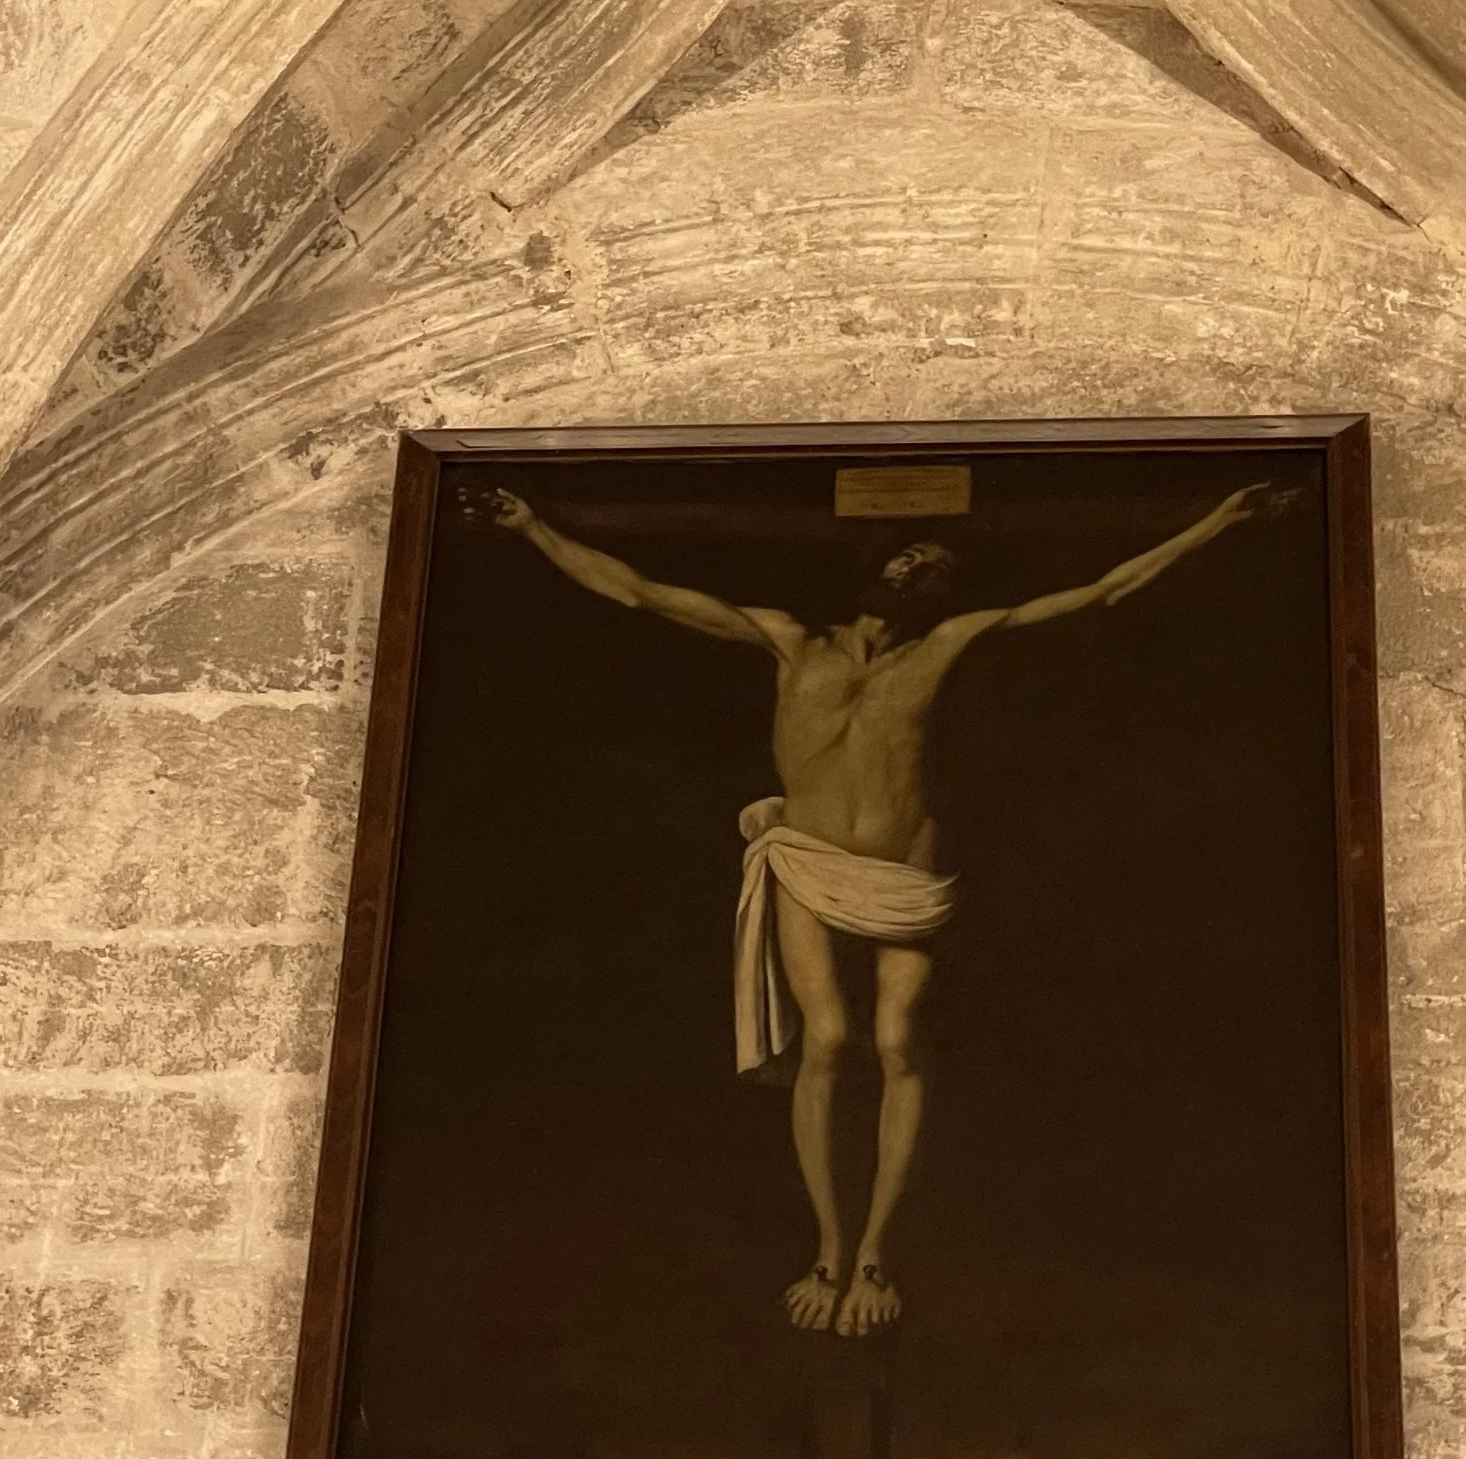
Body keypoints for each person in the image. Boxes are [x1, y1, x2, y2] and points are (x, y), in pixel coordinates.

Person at [484, 483, 1258, 1335]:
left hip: (907, 878)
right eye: (908, 555)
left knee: (897, 1044)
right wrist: (532, 528)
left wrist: (1215, 524)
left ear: (943, 591)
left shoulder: (948, 644)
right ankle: (826, 1247)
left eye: (935, 565)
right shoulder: (789, 642)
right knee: (825, 1039)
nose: (919, 567)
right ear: (875, 569)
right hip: (807, 864)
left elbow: (1101, 590)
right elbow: (637, 590)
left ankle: (876, 1254)